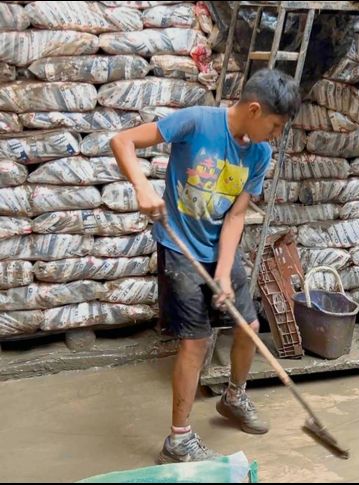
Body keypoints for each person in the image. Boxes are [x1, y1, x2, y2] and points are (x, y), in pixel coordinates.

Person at [111, 69, 301, 464]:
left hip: (218, 247)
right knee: (195, 342)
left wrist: (224, 271)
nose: (276, 135)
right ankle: (178, 439)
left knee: (248, 325)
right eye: (276, 125)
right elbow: (122, 141)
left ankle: (233, 397)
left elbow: (235, 217)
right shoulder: (197, 120)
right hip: (179, 248)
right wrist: (142, 186)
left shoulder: (260, 154)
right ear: (254, 109)